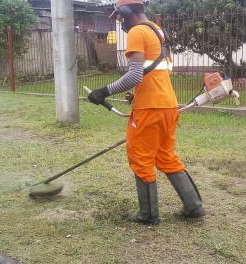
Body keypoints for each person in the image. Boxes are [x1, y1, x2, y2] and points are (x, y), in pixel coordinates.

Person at [87, 0, 205, 225]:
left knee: (141, 157)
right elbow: (155, 72)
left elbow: (134, 75)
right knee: (166, 156)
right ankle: (194, 206)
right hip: (168, 105)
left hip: (150, 109)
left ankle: (148, 215)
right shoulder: (158, 31)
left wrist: (103, 92)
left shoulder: (137, 32)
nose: (120, 23)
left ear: (126, 11)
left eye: (120, 17)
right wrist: (136, 94)